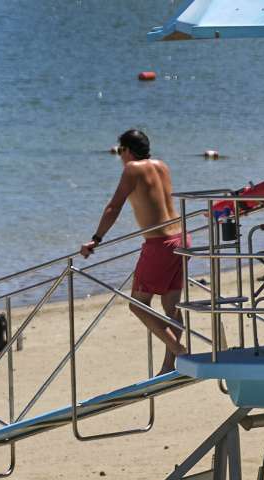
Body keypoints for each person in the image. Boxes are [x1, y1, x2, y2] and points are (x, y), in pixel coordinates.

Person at [80, 129, 186, 373]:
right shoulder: (162, 165)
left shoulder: (132, 169)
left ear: (127, 150)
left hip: (160, 244)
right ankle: (170, 366)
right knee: (171, 308)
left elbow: (114, 207)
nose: (120, 156)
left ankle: (180, 351)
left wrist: (96, 239)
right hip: (181, 238)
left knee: (137, 304)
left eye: (120, 151)